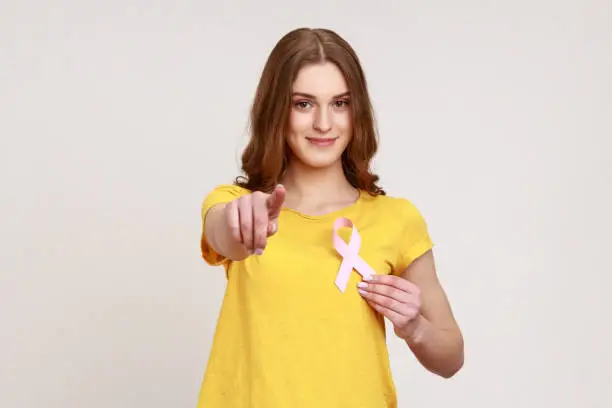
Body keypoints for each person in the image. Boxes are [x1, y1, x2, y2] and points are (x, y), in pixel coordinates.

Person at [197, 27, 464, 408]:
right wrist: (241, 222)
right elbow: (225, 233)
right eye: (303, 104)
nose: (324, 123)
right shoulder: (237, 204)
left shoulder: (397, 219)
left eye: (340, 103)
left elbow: (451, 357)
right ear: (276, 111)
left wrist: (415, 327)